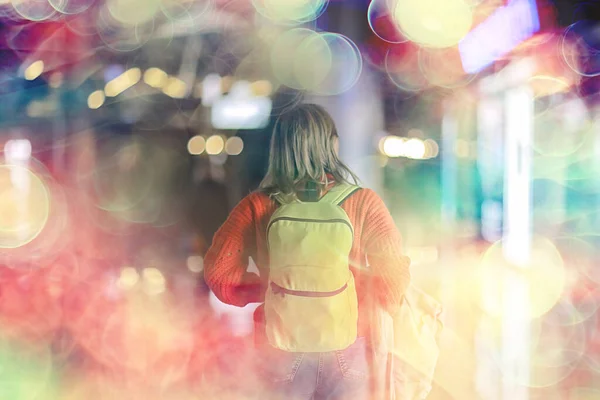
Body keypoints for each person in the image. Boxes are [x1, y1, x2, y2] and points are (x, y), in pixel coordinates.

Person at [204, 103, 411, 400]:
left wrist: (270, 290)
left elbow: (219, 274)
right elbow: (394, 280)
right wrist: (354, 294)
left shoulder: (257, 205)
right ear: (332, 144)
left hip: (277, 345)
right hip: (346, 343)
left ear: (278, 148)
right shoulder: (364, 202)